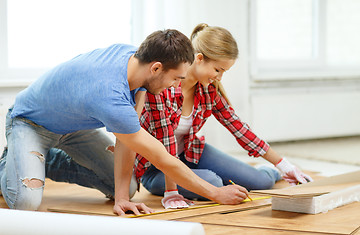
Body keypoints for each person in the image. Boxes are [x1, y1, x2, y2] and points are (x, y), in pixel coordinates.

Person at [0, 29, 248, 215]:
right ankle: (9, 164)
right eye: (175, 79)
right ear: (157, 68)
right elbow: (160, 156)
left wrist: (121, 200)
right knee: (26, 203)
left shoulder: (137, 60)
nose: (176, 86)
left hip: (73, 127)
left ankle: (46, 161)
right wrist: (215, 193)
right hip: (30, 122)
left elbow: (127, 140)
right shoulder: (110, 95)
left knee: (127, 188)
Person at [134, 24, 313, 209]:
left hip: (190, 152)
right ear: (199, 58)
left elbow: (239, 129)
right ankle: (203, 179)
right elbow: (167, 143)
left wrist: (284, 165)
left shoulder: (209, 92)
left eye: (223, 72)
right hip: (157, 168)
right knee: (214, 182)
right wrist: (172, 192)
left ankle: (267, 172)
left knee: (261, 182)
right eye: (218, 70)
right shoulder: (164, 87)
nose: (219, 77)